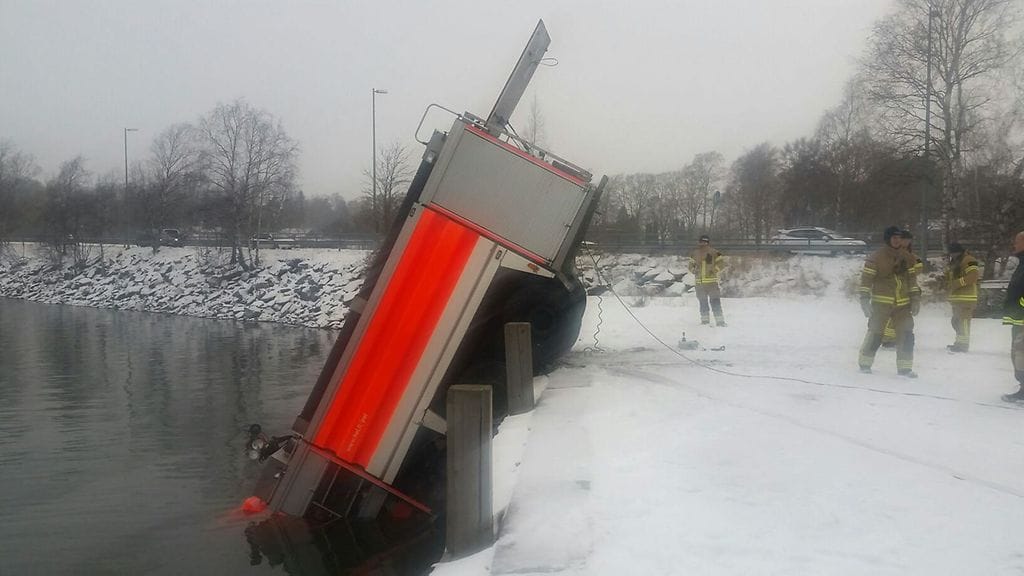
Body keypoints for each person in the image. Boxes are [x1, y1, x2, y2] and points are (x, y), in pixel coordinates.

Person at [857, 226, 920, 376]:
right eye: (894, 238)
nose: (898, 241)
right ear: (888, 239)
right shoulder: (876, 257)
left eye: (900, 238)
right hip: (881, 304)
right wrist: (864, 300)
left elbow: (912, 280)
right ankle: (865, 364)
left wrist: (915, 298)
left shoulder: (907, 257)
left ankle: (905, 368)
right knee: (876, 334)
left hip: (903, 305)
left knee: (906, 335)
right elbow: (866, 281)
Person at [881, 230, 923, 348]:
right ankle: (889, 338)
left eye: (909, 240)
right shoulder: (896, 254)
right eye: (906, 239)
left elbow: (918, 268)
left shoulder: (910, 255)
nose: (908, 242)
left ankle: (897, 336)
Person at [1001, 231, 1024, 402]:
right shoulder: (1022, 263)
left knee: (1021, 355)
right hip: (1019, 319)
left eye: (1016, 241)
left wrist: (1019, 306)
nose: (1014, 245)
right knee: (1018, 355)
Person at [945, 242, 980, 353]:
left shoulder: (969, 260)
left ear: (958, 252)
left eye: (953, 253)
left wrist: (956, 283)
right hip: (957, 298)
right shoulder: (955, 261)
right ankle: (959, 342)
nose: (952, 256)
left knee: (963, 321)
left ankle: (963, 344)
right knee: (956, 321)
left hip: (967, 298)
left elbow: (973, 276)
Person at [689, 234, 726, 326]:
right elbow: (690, 266)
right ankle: (705, 321)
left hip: (711, 283)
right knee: (703, 303)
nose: (703, 244)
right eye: (702, 242)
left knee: (715, 301)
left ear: (708, 242)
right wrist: (694, 270)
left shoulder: (715, 252)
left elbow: (721, 264)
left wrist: (713, 270)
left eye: (705, 242)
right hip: (699, 283)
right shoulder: (694, 253)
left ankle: (720, 321)